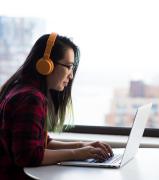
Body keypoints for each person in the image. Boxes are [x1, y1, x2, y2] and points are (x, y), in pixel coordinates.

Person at [0, 32, 113, 179]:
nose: (71, 76)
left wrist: (83, 146)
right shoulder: (31, 99)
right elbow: (29, 155)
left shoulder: (20, 88)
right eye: (68, 67)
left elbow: (43, 144)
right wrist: (77, 154)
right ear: (46, 65)